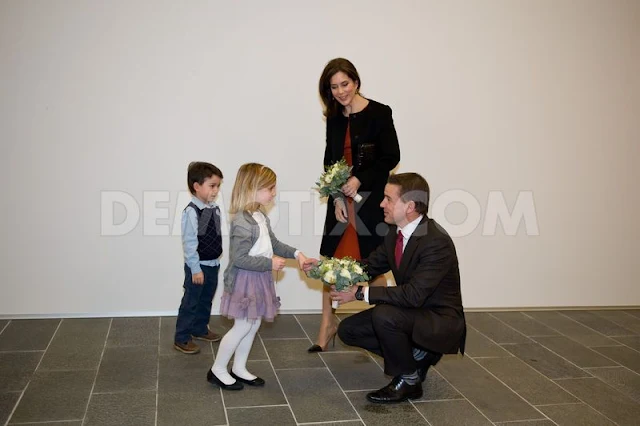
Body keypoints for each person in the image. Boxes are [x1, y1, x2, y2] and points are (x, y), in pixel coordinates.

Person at [329, 173, 466, 403]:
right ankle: (416, 359)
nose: (382, 204)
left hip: (439, 320)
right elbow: (370, 266)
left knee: (385, 315)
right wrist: (329, 269)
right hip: (412, 312)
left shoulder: (436, 241)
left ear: (410, 206)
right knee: (348, 330)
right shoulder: (395, 233)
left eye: (388, 199)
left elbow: (413, 295)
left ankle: (409, 381)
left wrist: (360, 293)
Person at [311, 58, 401, 352]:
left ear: (356, 82)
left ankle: (383, 323)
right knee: (332, 262)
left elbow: (391, 157)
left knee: (374, 264)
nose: (340, 91)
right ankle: (327, 325)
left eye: (344, 84)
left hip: (370, 200)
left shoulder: (379, 113)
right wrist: (336, 195)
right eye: (333, 87)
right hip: (340, 202)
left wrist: (360, 179)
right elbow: (330, 159)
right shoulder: (335, 118)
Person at [207, 163, 315, 390]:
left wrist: (297, 254)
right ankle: (217, 369)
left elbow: (273, 243)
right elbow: (239, 258)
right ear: (252, 188)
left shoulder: (259, 215)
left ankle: (239, 368)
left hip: (259, 279)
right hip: (245, 281)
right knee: (242, 325)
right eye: (270, 188)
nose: (274, 193)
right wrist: (270, 262)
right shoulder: (242, 223)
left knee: (252, 325)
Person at [174, 162, 225, 354]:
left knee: (206, 299)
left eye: (218, 186)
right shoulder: (192, 211)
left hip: (212, 264)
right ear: (197, 186)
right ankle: (182, 337)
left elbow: (212, 236)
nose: (216, 190)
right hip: (198, 267)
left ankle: (200, 328)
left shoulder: (214, 209)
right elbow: (190, 244)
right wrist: (195, 269)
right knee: (191, 301)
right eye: (212, 186)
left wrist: (215, 261)